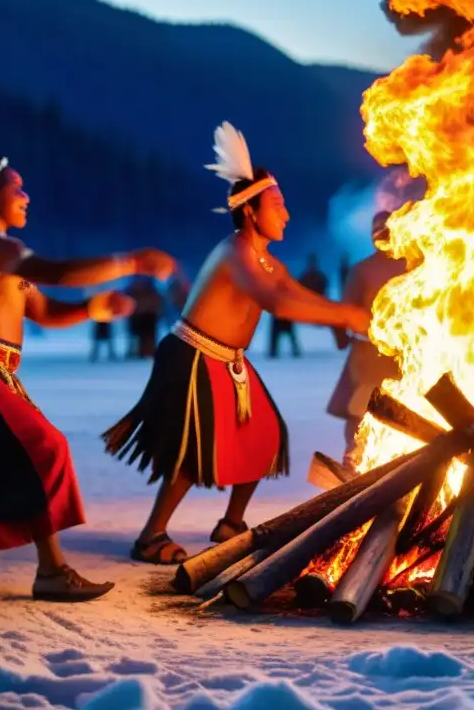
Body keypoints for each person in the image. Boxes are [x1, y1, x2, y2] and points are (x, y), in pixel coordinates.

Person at [102, 122, 370, 564]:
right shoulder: (236, 252)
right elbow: (277, 303)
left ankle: (231, 524)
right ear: (251, 211)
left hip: (229, 362)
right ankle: (150, 536)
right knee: (194, 450)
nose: (285, 215)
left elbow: (295, 293)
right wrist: (346, 315)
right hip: (192, 356)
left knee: (263, 435)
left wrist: (352, 316)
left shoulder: (265, 257)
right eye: (278, 206)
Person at [0, 146, 175, 599]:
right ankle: (52, 572)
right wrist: (131, 261)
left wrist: (93, 308)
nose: (27, 196)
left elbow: (44, 308)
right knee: (44, 451)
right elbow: (55, 271)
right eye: (18, 188)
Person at [327, 211, 407, 467]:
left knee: (403, 410)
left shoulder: (414, 266)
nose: (381, 235)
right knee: (360, 409)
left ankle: (395, 462)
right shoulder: (362, 270)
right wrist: (343, 336)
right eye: (377, 230)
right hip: (368, 354)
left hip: (403, 354)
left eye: (385, 229)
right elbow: (345, 311)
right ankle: (354, 458)